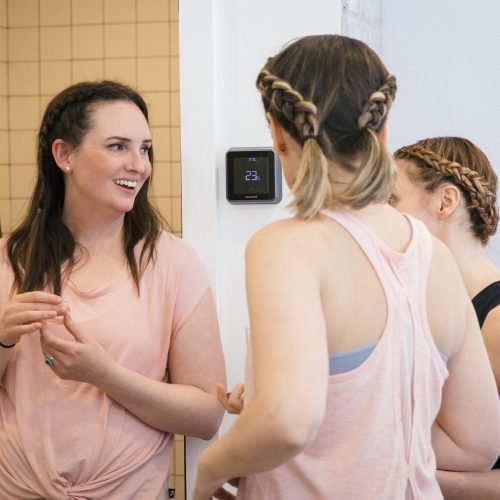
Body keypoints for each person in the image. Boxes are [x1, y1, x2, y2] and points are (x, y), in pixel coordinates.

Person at [192, 35, 500, 500]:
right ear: (383, 128)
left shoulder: (285, 246)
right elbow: (480, 442)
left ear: (277, 132)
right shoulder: (432, 257)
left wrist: (211, 466)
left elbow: (287, 420)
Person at [0, 80, 225, 499]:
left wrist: (105, 376)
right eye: (118, 146)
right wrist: (3, 338)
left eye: (145, 149)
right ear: (64, 155)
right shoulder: (9, 260)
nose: (139, 165)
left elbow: (208, 415)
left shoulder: (174, 264)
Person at [392, 137, 500, 499]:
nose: (380, 215)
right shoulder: (414, 305)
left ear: (446, 201)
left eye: (392, 199)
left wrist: (405, 478)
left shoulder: (497, 322)